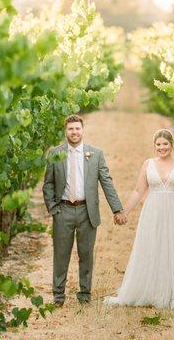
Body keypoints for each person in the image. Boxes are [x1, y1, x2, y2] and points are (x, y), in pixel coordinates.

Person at [104, 129, 174, 310]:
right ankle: (152, 291)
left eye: (165, 144)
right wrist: (124, 212)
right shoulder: (148, 164)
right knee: (153, 248)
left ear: (171, 145)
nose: (162, 147)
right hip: (153, 212)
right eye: (158, 144)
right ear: (154, 146)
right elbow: (138, 191)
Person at [42, 114, 127, 307]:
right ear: (66, 131)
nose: (74, 132)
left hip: (86, 211)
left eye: (77, 128)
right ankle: (58, 296)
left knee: (86, 254)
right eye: (71, 129)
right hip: (63, 210)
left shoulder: (95, 154)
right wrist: (53, 208)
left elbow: (107, 183)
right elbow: (47, 184)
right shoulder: (55, 153)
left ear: (83, 130)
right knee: (61, 254)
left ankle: (85, 294)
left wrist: (117, 209)